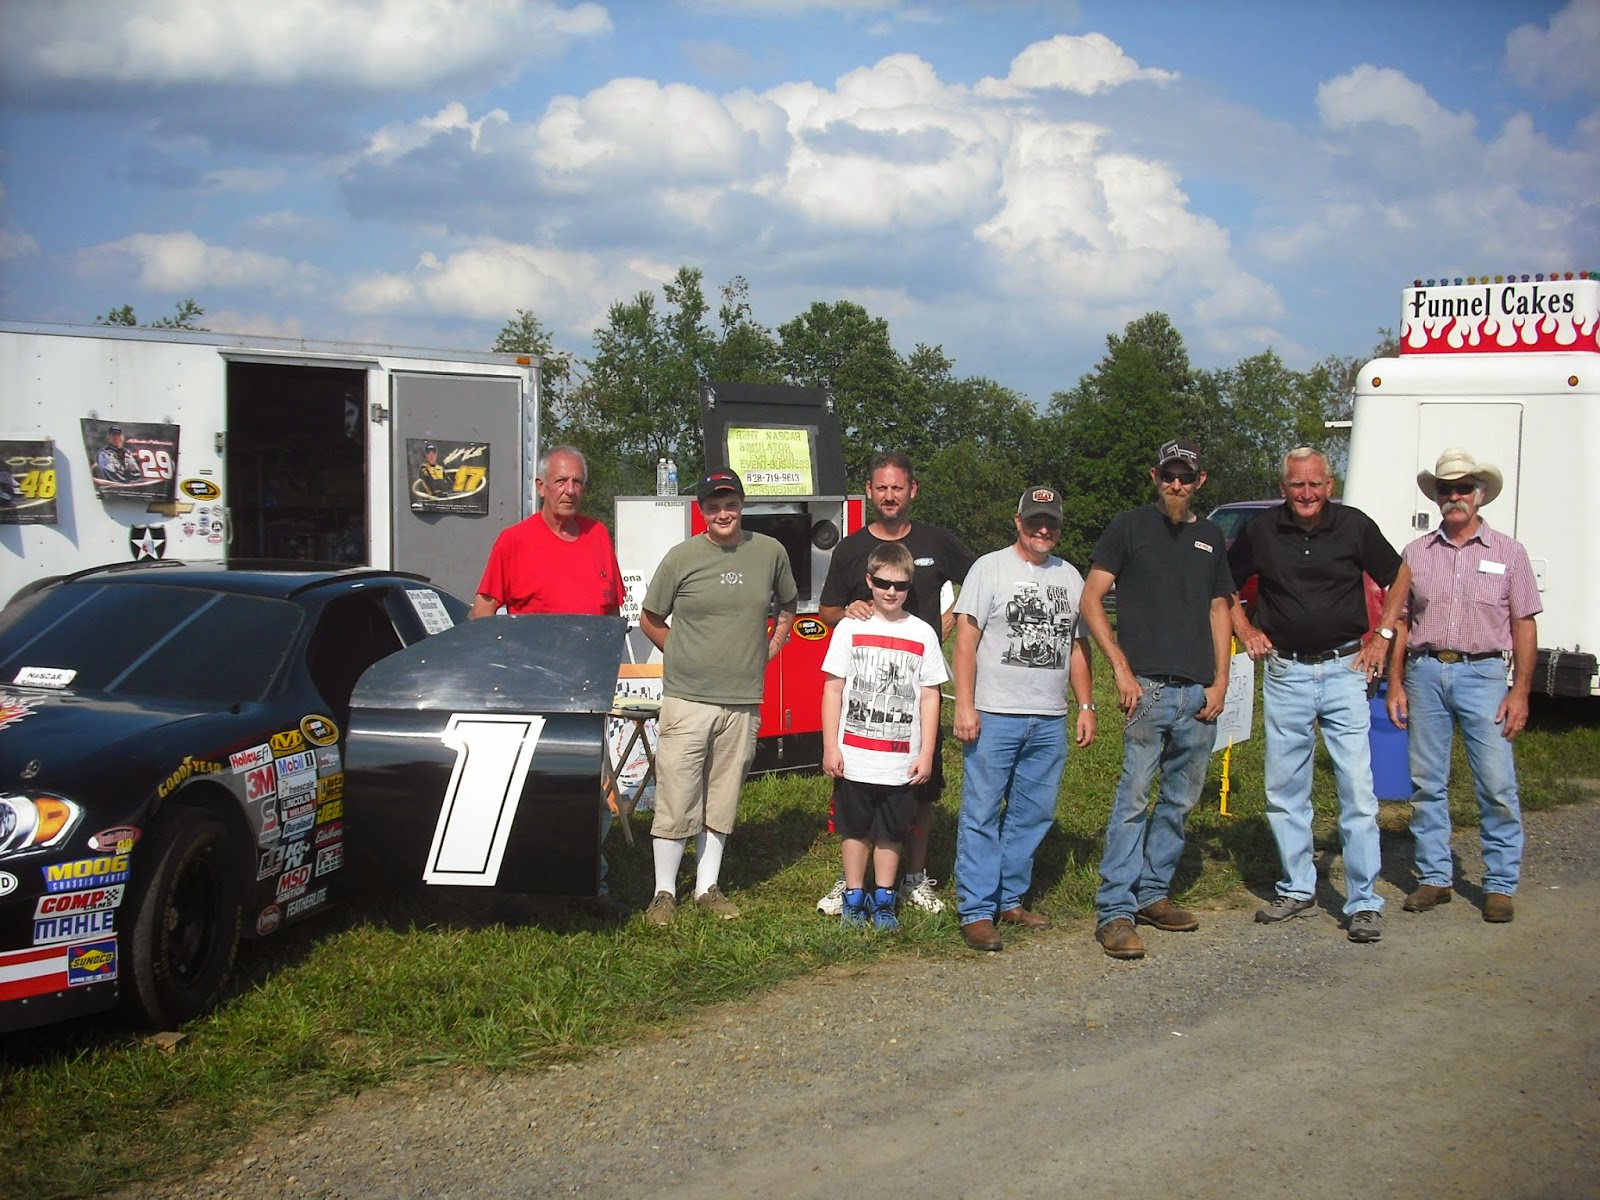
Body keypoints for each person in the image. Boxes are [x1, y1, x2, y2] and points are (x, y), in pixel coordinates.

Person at [1229, 446, 1404, 944]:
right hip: (1286, 672)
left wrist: (1381, 636)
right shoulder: (1261, 531)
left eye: (1315, 484)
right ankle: (1298, 887)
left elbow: (1399, 577)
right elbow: (1221, 581)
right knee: (1285, 789)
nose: (1306, 494)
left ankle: (1364, 901)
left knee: (1356, 788)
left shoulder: (1354, 526)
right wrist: (1245, 627)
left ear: (1330, 485)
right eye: (1296, 484)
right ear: (1283, 487)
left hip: (1347, 668)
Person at [1081, 439, 1234, 960]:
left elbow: (1220, 610)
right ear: (1154, 476)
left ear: (1200, 481)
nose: (1175, 485)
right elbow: (1090, 597)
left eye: (1185, 478)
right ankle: (1115, 912)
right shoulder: (1129, 527)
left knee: (1180, 800)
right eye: (1168, 476)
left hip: (1198, 693)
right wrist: (1121, 668)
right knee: (1134, 799)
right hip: (1146, 689)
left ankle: (1153, 894)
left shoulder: (1211, 536)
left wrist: (1221, 682)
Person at [1383, 448, 1540, 924]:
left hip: (1485, 673)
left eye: (1464, 488)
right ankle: (1434, 877)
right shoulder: (1415, 554)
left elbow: (1525, 626)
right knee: (1427, 782)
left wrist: (1520, 692)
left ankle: (1499, 884)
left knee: (1494, 783)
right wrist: (1395, 683)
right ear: (1437, 497)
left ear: (1481, 495)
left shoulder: (1510, 554)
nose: (1455, 496)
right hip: (1426, 671)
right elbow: (1400, 624)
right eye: (1446, 489)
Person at [816, 451, 976, 916]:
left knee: (919, 790)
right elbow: (826, 610)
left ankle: (913, 879)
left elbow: (979, 585)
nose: (889, 495)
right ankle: (853, 884)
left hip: (915, 692)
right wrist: (847, 610)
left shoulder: (938, 541)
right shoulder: (849, 549)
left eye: (897, 488)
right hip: (864, 702)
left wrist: (947, 622)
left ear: (912, 492)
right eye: (881, 487)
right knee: (858, 794)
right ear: (869, 491)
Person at [639, 469, 797, 925]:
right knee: (676, 791)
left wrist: (771, 646)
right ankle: (663, 893)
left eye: (729, 504)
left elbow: (787, 605)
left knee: (723, 794)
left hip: (743, 699)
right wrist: (682, 653)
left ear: (742, 505)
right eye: (713, 506)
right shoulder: (681, 557)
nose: (722, 513)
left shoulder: (770, 552)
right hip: (687, 697)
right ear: (701, 510)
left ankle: (707, 887)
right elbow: (651, 617)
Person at [950, 485, 1094, 952]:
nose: (1043, 529)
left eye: (1051, 521)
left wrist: (1086, 705)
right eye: (1035, 521)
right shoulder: (988, 568)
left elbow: (1076, 646)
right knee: (982, 811)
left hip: (1049, 717)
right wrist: (965, 705)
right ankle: (976, 909)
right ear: (1018, 522)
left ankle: (1010, 898)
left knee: (1034, 814)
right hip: (995, 714)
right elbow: (965, 642)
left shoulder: (1071, 577)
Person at [820, 541, 948, 932]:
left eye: (901, 585)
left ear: (911, 585)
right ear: (868, 581)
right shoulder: (849, 627)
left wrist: (926, 753)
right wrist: (830, 746)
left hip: (900, 760)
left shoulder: (923, 632)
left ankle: (885, 897)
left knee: (893, 832)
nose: (891, 592)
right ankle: (854, 896)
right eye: (883, 583)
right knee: (855, 829)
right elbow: (833, 689)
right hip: (855, 756)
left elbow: (930, 695)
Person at [470, 445, 624, 618]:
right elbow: (481, 613)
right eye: (561, 481)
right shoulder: (514, 541)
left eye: (577, 482)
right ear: (541, 487)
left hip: (592, 644)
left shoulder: (598, 535)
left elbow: (612, 614)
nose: (570, 490)